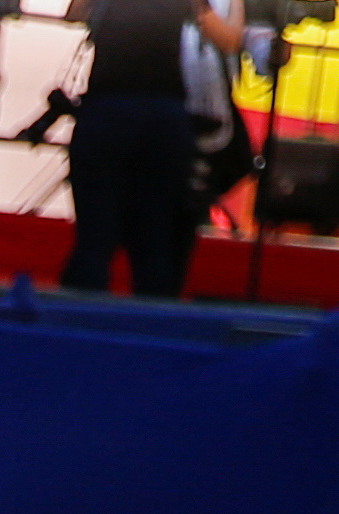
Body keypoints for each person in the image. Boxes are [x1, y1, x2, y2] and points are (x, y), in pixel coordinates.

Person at [65, 0, 241, 294]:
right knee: (154, 241)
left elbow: (74, 12)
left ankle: (77, 323)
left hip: (107, 106)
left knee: (94, 239)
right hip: (162, 112)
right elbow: (228, 39)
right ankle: (150, 325)